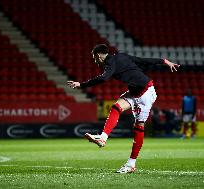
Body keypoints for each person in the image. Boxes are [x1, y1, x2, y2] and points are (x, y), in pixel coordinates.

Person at [67, 44, 180, 173]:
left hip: (146, 93)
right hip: (134, 91)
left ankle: (131, 164)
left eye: (94, 58)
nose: (95, 61)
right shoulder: (122, 56)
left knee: (139, 127)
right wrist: (165, 61)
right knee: (116, 107)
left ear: (98, 56)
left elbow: (104, 78)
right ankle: (103, 138)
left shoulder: (110, 64)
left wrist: (82, 84)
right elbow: (144, 61)